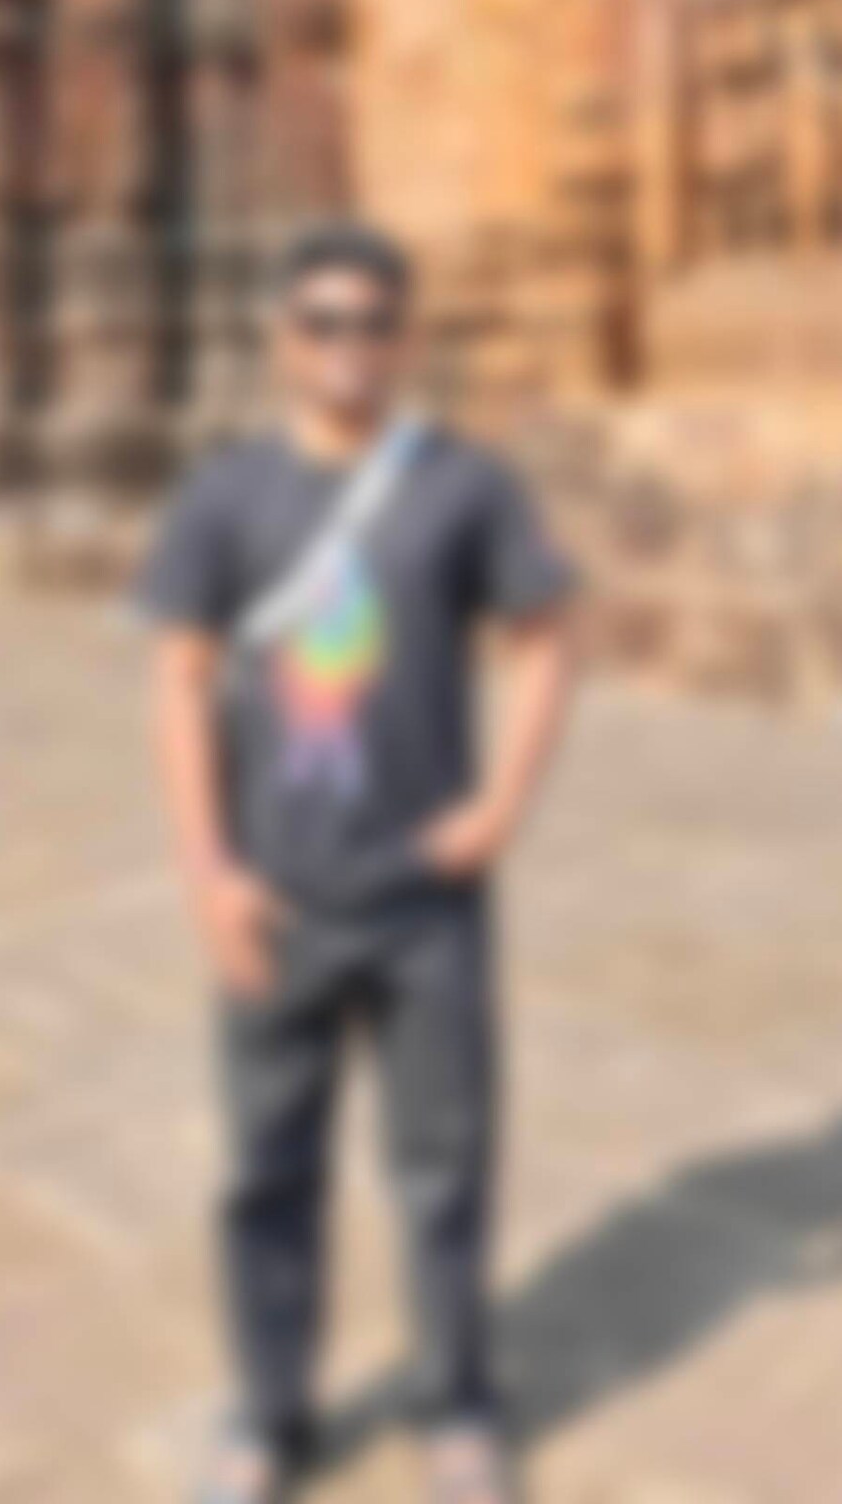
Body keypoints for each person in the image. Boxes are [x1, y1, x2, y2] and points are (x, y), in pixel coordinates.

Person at [137, 221, 577, 1504]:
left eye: (374, 321)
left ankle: (457, 1403)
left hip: (426, 903)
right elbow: (177, 681)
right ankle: (269, 1414)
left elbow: (547, 638)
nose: (348, 346)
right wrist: (208, 871)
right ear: (283, 336)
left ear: (408, 337)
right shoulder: (225, 496)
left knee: (443, 1168)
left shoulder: (463, 484)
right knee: (266, 1171)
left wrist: (499, 807)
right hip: (277, 898)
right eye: (322, 321)